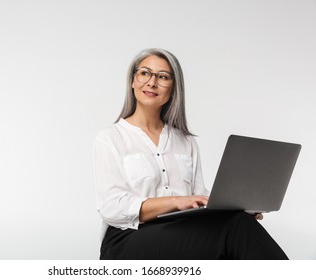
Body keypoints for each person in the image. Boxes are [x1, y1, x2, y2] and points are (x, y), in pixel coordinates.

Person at [92, 48, 288, 260]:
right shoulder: (110, 138)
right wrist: (177, 201)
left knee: (238, 222)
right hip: (127, 239)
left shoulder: (185, 141)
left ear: (174, 89)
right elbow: (111, 207)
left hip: (178, 232)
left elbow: (198, 199)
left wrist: (235, 209)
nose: (152, 82)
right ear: (132, 81)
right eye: (145, 73)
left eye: (163, 77)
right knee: (235, 231)